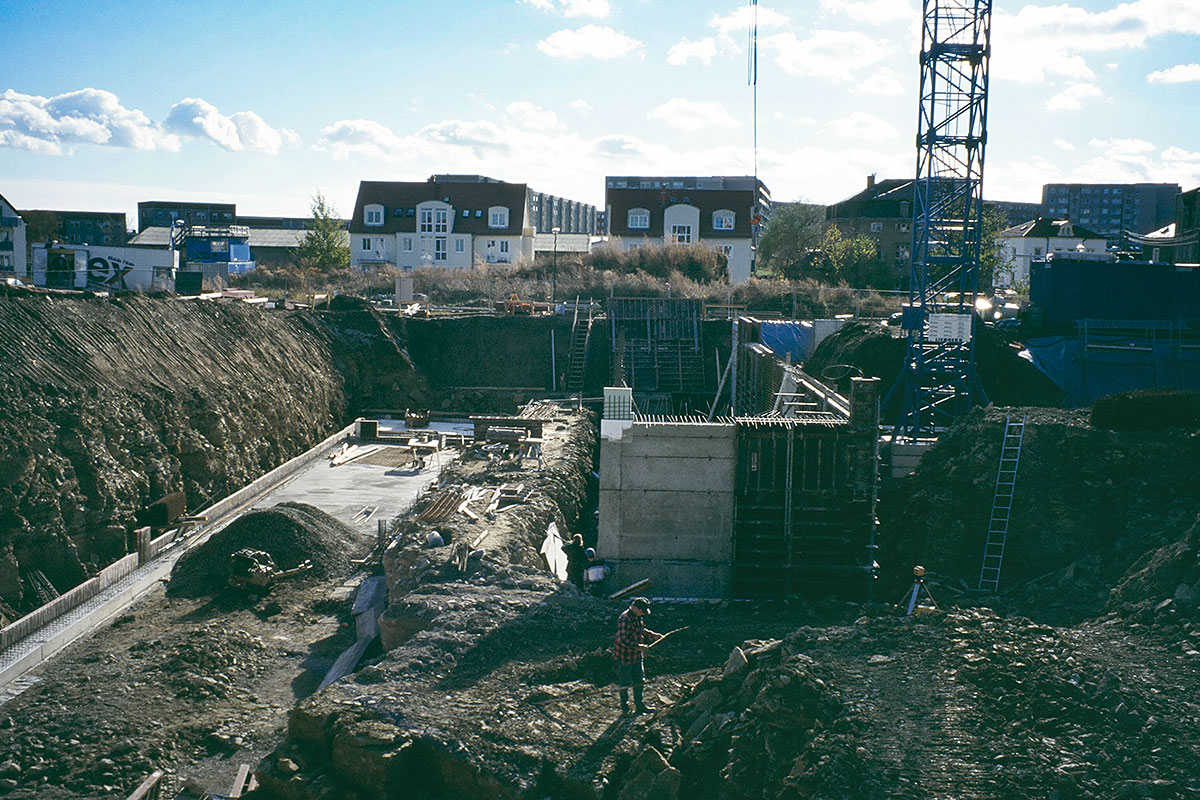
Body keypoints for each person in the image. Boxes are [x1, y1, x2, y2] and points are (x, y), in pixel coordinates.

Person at [613, 596, 661, 714]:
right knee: (624, 683)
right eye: (642, 611)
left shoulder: (637, 616)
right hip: (625, 656)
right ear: (635, 607)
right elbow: (622, 640)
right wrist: (638, 646)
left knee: (639, 680)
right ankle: (625, 708)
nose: (643, 614)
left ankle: (639, 705)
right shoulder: (625, 619)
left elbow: (641, 630)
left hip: (636, 656)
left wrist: (653, 635)